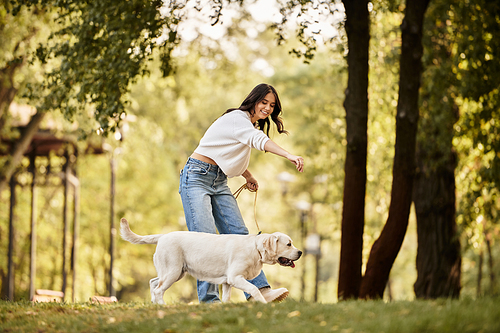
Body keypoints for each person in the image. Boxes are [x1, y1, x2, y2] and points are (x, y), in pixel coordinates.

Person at [179, 83, 304, 303]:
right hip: (196, 177)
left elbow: (226, 152)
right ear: (253, 100)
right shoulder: (239, 118)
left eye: (272, 105)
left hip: (219, 180)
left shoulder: (248, 126)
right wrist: (289, 155)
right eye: (263, 102)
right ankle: (209, 301)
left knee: (240, 232)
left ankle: (260, 292)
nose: (267, 108)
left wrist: (247, 175)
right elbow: (258, 141)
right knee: (205, 240)